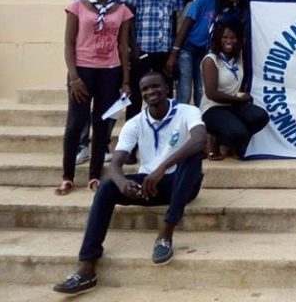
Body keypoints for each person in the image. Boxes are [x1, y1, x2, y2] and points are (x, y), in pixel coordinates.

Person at [52, 72, 206, 296]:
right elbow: (115, 165)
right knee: (107, 186)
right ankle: (87, 268)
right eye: (145, 89)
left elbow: (200, 139)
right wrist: (123, 182)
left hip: (181, 184)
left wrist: (162, 168)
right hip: (150, 186)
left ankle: (165, 234)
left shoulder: (187, 111)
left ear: (167, 88)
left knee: (193, 157)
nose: (151, 92)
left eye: (155, 87)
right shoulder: (135, 123)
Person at [58, 0, 132, 195]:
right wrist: (74, 77)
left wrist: (126, 80)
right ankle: (67, 176)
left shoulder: (122, 11)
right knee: (75, 124)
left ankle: (94, 176)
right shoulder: (77, 7)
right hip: (82, 71)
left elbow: (123, 47)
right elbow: (69, 44)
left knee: (101, 125)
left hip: (110, 72)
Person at [120, 0, 185, 118]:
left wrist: (173, 53)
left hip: (164, 49)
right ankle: (133, 133)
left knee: (164, 93)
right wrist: (133, 47)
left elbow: (176, 18)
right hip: (142, 48)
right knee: (136, 95)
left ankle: (164, 130)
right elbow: (128, 15)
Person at [167, 0, 250, 107]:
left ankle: (200, 119)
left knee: (202, 92)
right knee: (185, 92)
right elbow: (185, 26)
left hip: (207, 54)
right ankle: (181, 120)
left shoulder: (234, 11)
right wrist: (173, 54)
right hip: (188, 49)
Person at [200, 21, 269, 160]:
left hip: (233, 105)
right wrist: (238, 99)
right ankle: (215, 138)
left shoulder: (238, 57)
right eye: (225, 37)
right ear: (218, 38)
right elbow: (211, 94)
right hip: (213, 107)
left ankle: (234, 143)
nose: (229, 41)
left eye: (233, 38)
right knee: (238, 133)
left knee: (261, 116)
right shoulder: (210, 60)